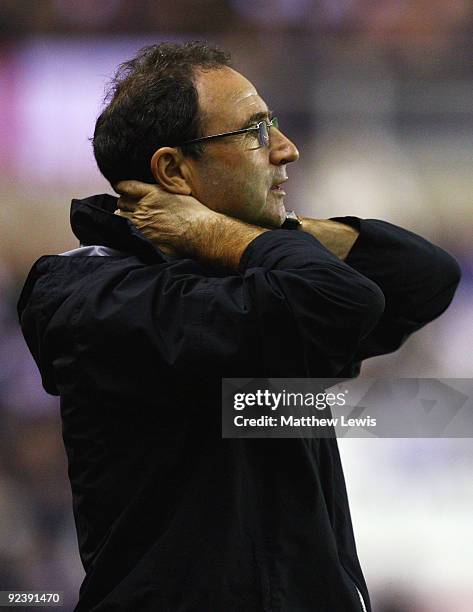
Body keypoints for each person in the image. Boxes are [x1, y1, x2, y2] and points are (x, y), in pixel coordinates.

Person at [18, 42, 460, 612]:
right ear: (173, 169)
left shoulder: (254, 274)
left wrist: (267, 227)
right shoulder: (90, 293)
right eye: (254, 131)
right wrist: (235, 237)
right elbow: (338, 298)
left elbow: (428, 278)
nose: (285, 149)